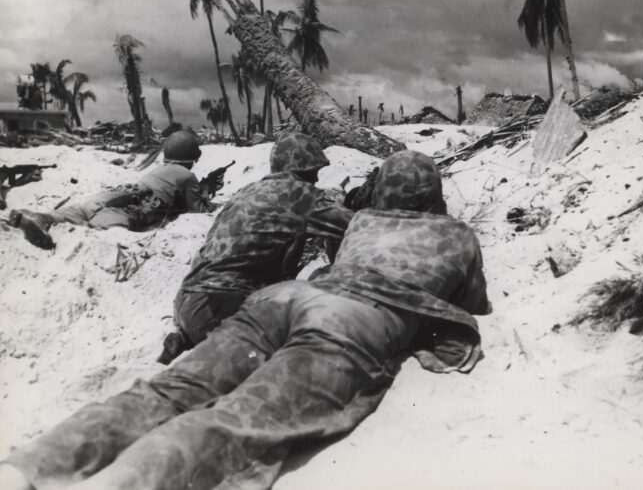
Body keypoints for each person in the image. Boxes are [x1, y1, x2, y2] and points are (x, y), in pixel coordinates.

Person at [0, 150, 490, 490]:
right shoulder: (458, 235)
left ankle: (28, 467)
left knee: (173, 389)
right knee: (238, 420)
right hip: (350, 322)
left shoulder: (362, 221)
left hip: (283, 299)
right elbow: (473, 302)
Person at [159, 132, 354, 363]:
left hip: (187, 301)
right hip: (222, 304)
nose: (316, 180)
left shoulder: (247, 191)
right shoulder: (301, 195)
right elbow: (358, 225)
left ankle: (186, 338)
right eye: (314, 172)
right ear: (305, 170)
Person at [7, 131, 214, 250]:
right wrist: (205, 193)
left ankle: (37, 217)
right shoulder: (188, 176)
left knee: (70, 214)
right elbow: (199, 211)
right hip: (124, 211)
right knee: (88, 229)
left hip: (107, 196)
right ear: (191, 158)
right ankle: (45, 231)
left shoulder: (159, 169)